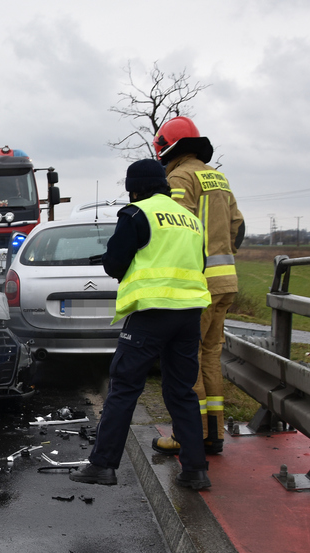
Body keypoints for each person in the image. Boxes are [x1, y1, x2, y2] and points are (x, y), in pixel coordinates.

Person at [70, 159, 213, 490]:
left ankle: (103, 465)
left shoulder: (136, 214)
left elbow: (115, 261)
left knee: (123, 387)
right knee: (182, 391)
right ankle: (195, 470)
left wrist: (124, 270)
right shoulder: (191, 220)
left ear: (134, 188)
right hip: (190, 313)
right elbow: (198, 263)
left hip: (151, 313)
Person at [150, 117, 246, 457]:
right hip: (225, 281)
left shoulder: (179, 177)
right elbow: (238, 226)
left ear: (166, 147)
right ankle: (212, 434)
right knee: (209, 356)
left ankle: (186, 435)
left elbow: (176, 226)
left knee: (183, 361)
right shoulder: (217, 176)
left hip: (196, 285)